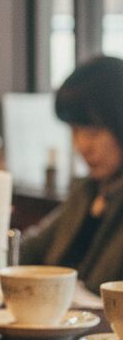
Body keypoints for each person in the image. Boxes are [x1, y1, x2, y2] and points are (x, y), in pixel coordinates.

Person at [19, 54, 123, 293]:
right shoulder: (87, 191)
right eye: (75, 131)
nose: (82, 146)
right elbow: (29, 250)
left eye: (94, 132)